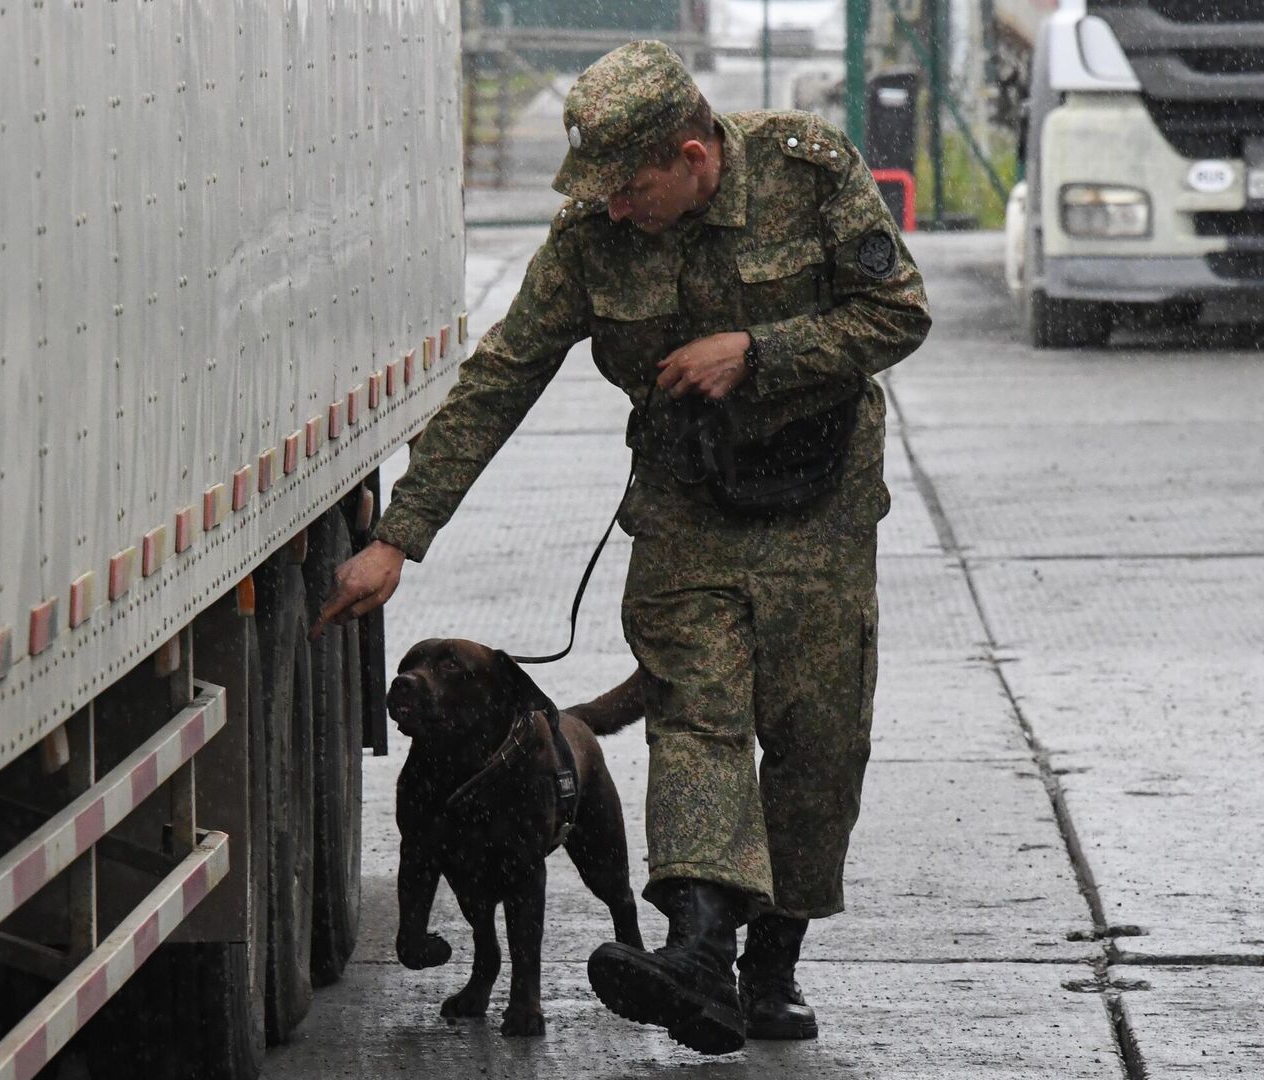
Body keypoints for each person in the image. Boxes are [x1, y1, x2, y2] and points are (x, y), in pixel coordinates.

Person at [315, 40, 930, 1053]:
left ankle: (770, 962)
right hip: (685, 512)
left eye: (631, 186)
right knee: (698, 719)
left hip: (819, 520)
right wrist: (399, 538)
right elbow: (499, 378)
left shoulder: (808, 172)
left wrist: (758, 354)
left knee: (819, 754)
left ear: (693, 156)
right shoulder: (594, 238)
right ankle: (696, 950)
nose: (612, 206)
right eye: (597, 189)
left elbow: (898, 310)